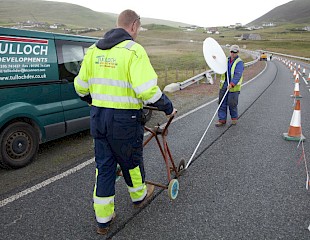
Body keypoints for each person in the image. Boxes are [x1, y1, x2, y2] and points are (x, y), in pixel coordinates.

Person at [74, 9, 176, 235]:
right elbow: (147, 91)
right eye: (138, 28)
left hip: (99, 118)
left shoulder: (93, 50)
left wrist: (96, 101)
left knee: (105, 166)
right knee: (131, 160)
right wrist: (168, 108)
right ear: (134, 26)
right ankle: (139, 196)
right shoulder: (134, 51)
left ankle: (103, 219)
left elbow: (80, 87)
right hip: (125, 121)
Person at [215, 45, 244, 127]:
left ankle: (234, 118)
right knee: (221, 103)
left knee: (232, 104)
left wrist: (232, 84)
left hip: (234, 87)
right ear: (230, 51)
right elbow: (219, 64)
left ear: (238, 52)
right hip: (224, 85)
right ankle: (222, 120)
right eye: (231, 52)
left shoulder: (239, 62)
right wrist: (214, 59)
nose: (233, 54)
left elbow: (238, 75)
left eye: (234, 52)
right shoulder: (226, 60)